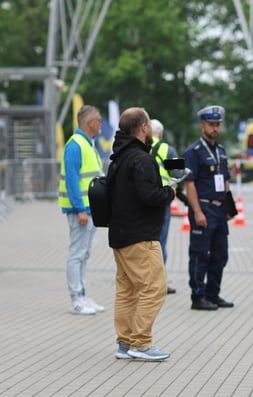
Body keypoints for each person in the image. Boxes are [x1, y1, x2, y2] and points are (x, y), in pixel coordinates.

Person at [108, 107, 177, 361]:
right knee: (154, 288)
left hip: (120, 235)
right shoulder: (141, 159)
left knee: (127, 291)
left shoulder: (118, 158)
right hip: (141, 236)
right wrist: (169, 191)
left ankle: (125, 342)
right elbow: (149, 196)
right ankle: (141, 342)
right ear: (144, 127)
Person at [183, 105, 236, 311]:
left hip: (220, 210)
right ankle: (198, 296)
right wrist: (197, 212)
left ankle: (213, 294)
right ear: (202, 126)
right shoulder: (193, 152)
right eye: (211, 124)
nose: (215, 128)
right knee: (199, 254)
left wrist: (229, 208)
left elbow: (226, 181)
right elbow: (189, 184)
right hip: (203, 208)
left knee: (220, 254)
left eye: (217, 125)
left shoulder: (221, 151)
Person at [59, 104, 105, 315]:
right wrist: (80, 209)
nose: (101, 124)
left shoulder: (87, 143)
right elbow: (72, 180)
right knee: (77, 254)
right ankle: (76, 299)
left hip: (88, 208)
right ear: (90, 122)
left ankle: (83, 295)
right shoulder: (75, 145)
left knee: (84, 254)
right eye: (99, 120)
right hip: (80, 210)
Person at [150, 118, 179, 294]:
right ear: (160, 133)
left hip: (143, 202)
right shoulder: (167, 149)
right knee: (160, 242)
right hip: (162, 201)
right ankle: (160, 282)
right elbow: (180, 173)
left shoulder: (140, 148)